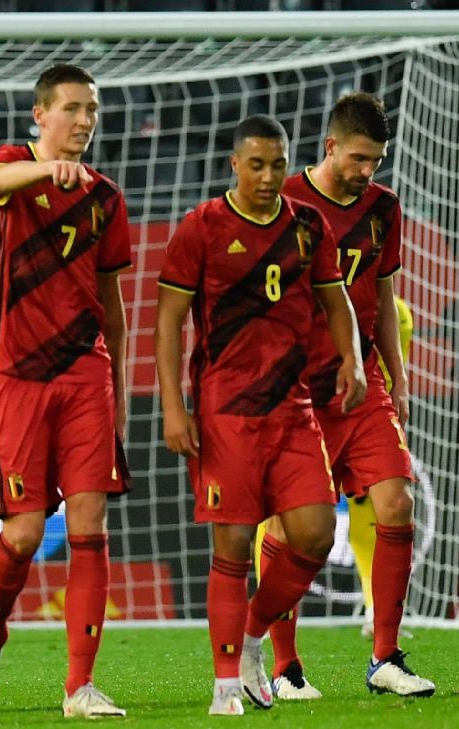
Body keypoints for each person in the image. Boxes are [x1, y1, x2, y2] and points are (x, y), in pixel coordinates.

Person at [155, 114, 368, 716]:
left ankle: (251, 636)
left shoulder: (308, 226)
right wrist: (173, 406)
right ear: (234, 165)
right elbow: (169, 321)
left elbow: (337, 301)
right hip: (226, 412)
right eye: (256, 165)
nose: (269, 176)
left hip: (293, 408)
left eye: (278, 165)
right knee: (232, 544)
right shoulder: (201, 227)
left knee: (316, 534)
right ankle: (226, 685)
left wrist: (351, 358)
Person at [0, 63, 130, 720]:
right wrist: (46, 170)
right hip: (17, 373)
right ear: (40, 115)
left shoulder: (105, 197)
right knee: (26, 532)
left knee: (90, 523)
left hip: (86, 372)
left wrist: (118, 389)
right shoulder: (10, 168)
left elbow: (113, 305)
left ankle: (79, 687)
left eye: (92, 110)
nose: (84, 121)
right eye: (72, 108)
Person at [253, 93, 434, 700]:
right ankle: (284, 667)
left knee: (396, 502)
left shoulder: (384, 208)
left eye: (375, 161)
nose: (366, 171)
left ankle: (386, 658)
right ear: (330, 147)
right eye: (357, 158)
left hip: (361, 384)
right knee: (295, 528)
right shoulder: (284, 203)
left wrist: (398, 379)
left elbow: (382, 298)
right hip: (295, 391)